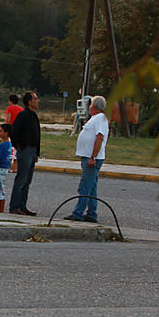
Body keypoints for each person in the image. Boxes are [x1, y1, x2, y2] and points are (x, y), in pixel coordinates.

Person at [65, 95, 109, 223]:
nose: (89, 107)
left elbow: (99, 137)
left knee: (85, 186)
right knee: (91, 187)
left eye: (90, 105)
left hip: (92, 158)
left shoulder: (100, 118)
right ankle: (91, 213)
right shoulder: (96, 118)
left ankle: (78, 213)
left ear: (94, 107)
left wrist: (93, 157)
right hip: (89, 157)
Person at [9, 90, 41, 216]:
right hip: (25, 149)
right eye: (35, 98)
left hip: (33, 151)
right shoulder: (23, 115)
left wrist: (37, 152)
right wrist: (19, 146)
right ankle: (14, 206)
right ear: (29, 101)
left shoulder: (34, 116)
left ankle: (23, 206)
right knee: (21, 179)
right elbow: (14, 132)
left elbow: (37, 134)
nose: (38, 101)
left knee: (28, 180)